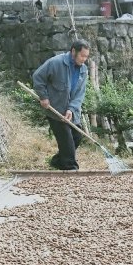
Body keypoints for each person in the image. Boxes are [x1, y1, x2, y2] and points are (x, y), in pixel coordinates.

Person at [32, 39, 90, 170]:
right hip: (55, 110)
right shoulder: (56, 63)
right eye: (82, 56)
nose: (84, 59)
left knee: (77, 136)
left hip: (71, 112)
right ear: (73, 51)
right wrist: (43, 97)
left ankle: (57, 161)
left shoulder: (83, 70)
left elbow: (80, 94)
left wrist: (71, 109)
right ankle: (70, 168)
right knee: (67, 141)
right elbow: (38, 77)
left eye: (86, 56)